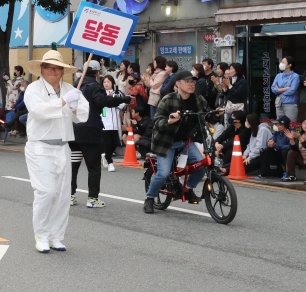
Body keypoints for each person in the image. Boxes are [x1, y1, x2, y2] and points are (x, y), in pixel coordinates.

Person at [23, 50, 89, 253]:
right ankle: (41, 235)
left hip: (63, 147)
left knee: (62, 195)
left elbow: (83, 115)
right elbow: (39, 111)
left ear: (62, 71)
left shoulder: (70, 89)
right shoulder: (33, 89)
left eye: (57, 68)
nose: (53, 71)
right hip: (40, 147)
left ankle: (56, 236)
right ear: (41, 69)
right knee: (46, 192)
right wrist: (63, 102)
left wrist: (75, 106)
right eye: (48, 67)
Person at [144, 70, 216, 214]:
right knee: (163, 174)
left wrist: (216, 113)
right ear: (177, 84)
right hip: (166, 143)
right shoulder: (168, 99)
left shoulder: (198, 98)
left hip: (185, 141)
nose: (191, 84)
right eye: (187, 81)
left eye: (192, 82)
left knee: (202, 166)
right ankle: (150, 198)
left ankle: (188, 189)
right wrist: (170, 120)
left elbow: (208, 114)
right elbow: (157, 122)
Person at [70, 62, 130, 208]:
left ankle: (69, 196)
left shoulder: (75, 86)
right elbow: (102, 101)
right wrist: (122, 99)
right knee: (93, 167)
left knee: (73, 166)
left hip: (73, 130)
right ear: (97, 73)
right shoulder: (95, 86)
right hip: (90, 131)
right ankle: (92, 199)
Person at [100, 74, 127, 173]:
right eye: (104, 82)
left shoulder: (117, 93)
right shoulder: (100, 94)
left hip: (115, 122)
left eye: (108, 82)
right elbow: (99, 104)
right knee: (107, 143)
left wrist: (113, 100)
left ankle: (105, 156)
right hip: (104, 121)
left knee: (115, 143)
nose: (106, 84)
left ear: (112, 83)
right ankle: (110, 162)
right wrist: (108, 99)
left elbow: (122, 104)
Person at [213, 110, 248, 174]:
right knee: (213, 148)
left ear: (238, 120)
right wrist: (217, 143)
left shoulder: (245, 130)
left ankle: (224, 168)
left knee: (229, 151)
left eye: (233, 118)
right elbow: (223, 136)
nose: (231, 119)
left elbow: (235, 140)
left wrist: (222, 146)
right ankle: (213, 166)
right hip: (228, 146)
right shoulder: (232, 127)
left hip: (241, 149)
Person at [272, 56, 300, 122]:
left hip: (290, 104)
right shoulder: (278, 75)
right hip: (279, 103)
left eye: (283, 62)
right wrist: (285, 89)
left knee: (290, 124)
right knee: (279, 124)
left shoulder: (295, 76)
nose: (281, 63)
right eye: (281, 62)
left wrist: (278, 90)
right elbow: (273, 88)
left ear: (289, 65)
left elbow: (292, 90)